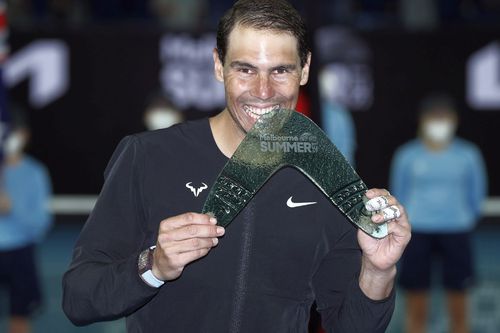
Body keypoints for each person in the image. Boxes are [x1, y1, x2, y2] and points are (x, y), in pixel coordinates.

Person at [62, 1, 411, 332]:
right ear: (218, 65)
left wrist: (378, 271)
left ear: (304, 69)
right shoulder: (147, 156)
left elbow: (351, 326)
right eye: (245, 70)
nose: (263, 91)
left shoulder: (324, 181)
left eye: (280, 71)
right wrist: (152, 266)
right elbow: (79, 299)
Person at [390, 94, 487, 333]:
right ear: (422, 121)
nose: (439, 123)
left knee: (459, 302)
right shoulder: (407, 155)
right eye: (434, 117)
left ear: (454, 120)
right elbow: (398, 193)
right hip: (417, 232)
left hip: (456, 231)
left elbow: (477, 195)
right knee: (416, 302)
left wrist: (463, 218)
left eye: (444, 118)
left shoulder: (468, 155)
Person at [0, 111, 53, 333]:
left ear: (25, 135)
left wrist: (12, 209)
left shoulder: (35, 172)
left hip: (20, 253)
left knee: (19, 318)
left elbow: (41, 223)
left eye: (16, 132)